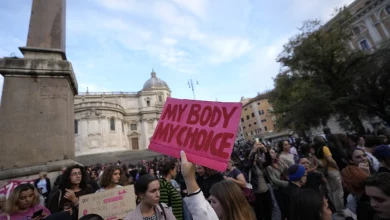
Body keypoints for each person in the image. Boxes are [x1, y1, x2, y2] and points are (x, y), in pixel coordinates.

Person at [180, 150, 255, 220]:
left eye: (214, 201)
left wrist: (189, 178)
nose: (210, 205)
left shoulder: (219, 178)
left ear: (227, 203)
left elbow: (202, 213)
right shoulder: (199, 179)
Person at [249, 141, 273, 220]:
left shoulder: (260, 164)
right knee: (260, 215)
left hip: (266, 191)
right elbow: (248, 163)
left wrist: (266, 151)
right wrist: (253, 151)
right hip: (257, 194)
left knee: (269, 212)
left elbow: (269, 162)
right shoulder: (249, 167)